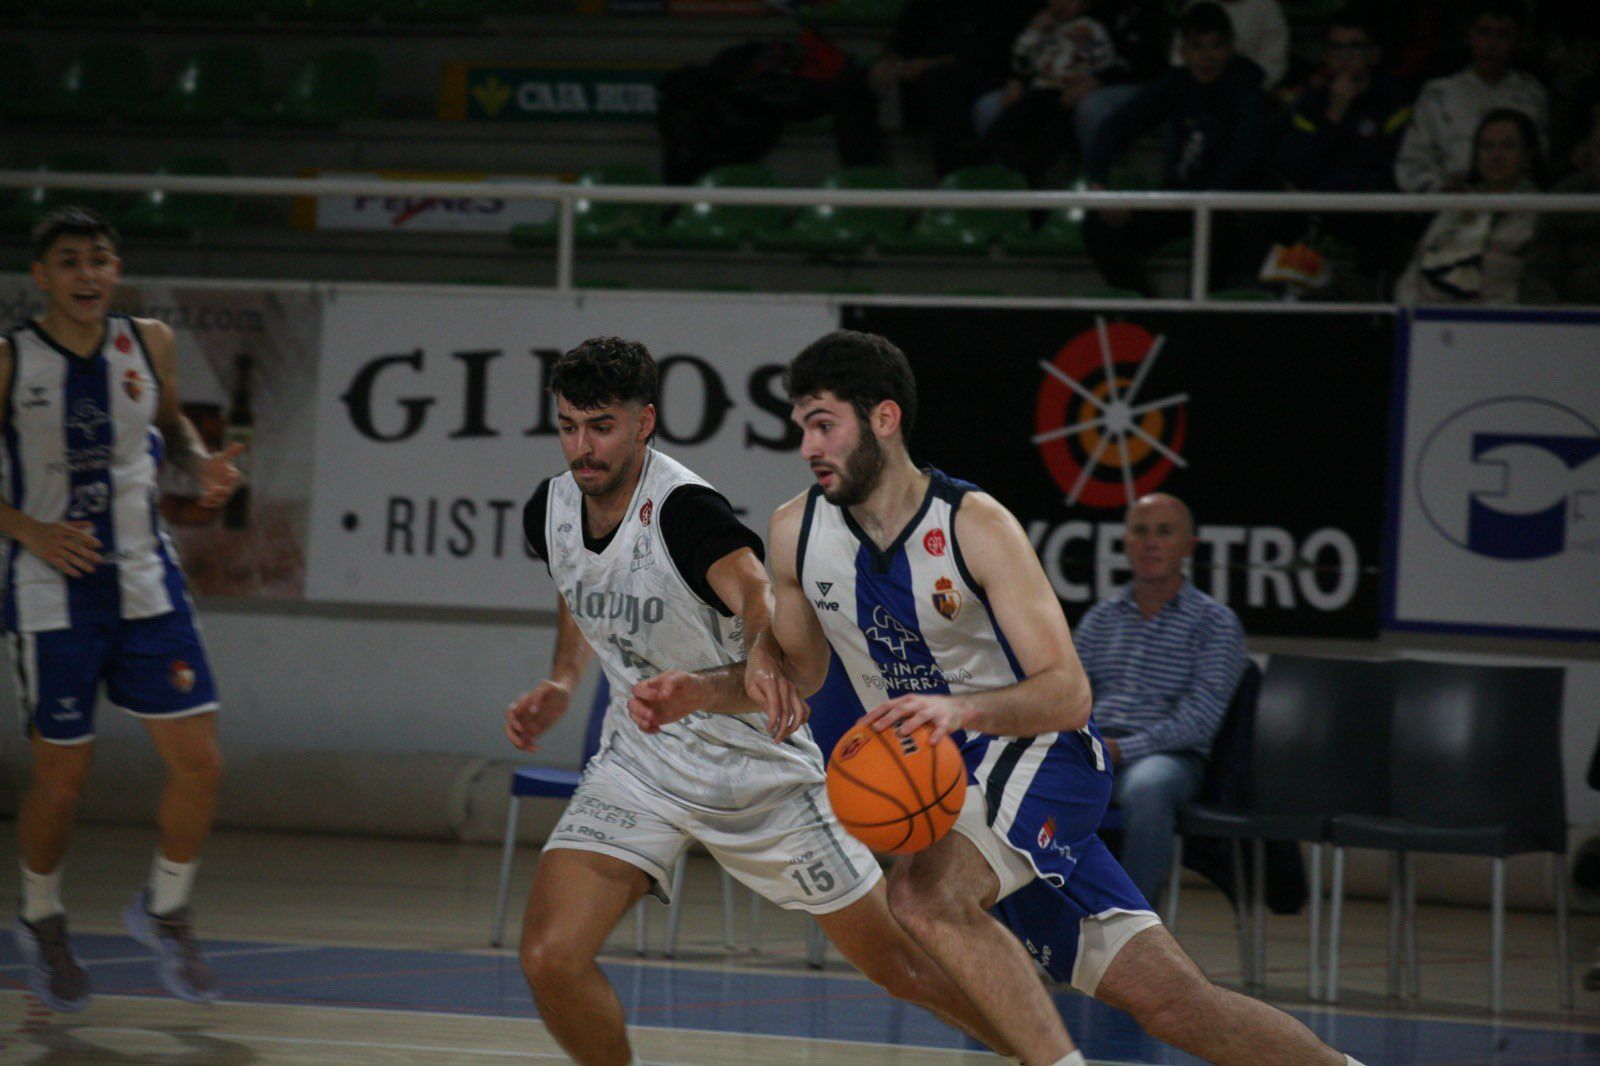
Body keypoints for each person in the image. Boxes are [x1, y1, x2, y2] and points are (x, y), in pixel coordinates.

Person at [747, 330, 1362, 1066]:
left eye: (824, 424)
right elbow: (799, 667)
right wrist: (747, 659)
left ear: (883, 419)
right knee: (1172, 1002)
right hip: (955, 781)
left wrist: (960, 710)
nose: (809, 445)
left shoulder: (975, 524)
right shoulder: (794, 530)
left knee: (921, 896)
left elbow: (1068, 695)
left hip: (1038, 754)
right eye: (802, 427)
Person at [507, 336, 1012, 1066]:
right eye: (568, 426)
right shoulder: (551, 508)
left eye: (602, 427)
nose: (582, 447)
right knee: (550, 955)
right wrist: (562, 679)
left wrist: (764, 656)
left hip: (757, 773)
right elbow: (576, 573)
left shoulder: (683, 510)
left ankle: (1046, 1055)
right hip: (642, 764)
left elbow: (754, 590)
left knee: (905, 970)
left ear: (644, 422)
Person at [5, 206, 244, 1012]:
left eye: (100, 260)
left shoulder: (149, 342)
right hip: (51, 589)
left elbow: (170, 424)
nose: (87, 275)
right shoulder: (10, 360)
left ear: (116, 270)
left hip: (146, 580)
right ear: (41, 276)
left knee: (201, 762)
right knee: (62, 778)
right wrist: (28, 528)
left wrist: (203, 466)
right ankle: (40, 915)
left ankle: (167, 907)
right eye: (69, 261)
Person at [1071, 493, 1247, 906]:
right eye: (1141, 531)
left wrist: (1121, 749)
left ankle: (1128, 931)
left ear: (1189, 546)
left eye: (1165, 532)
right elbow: (1069, 697)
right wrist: (1085, 743)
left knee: (1148, 789)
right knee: (1021, 780)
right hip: (1098, 747)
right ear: (1126, 543)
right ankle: (1026, 934)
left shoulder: (1215, 623)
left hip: (1169, 757)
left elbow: (1199, 720)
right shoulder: (1101, 618)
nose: (1151, 542)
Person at [1082, 1, 1267, 295]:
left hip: (1228, 206)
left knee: (1219, 226)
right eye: (1197, 47)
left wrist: (1209, 201)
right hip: (1182, 199)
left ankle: (1194, 315)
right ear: (1182, 51)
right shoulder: (1177, 84)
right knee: (1098, 224)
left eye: (1215, 46)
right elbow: (1115, 126)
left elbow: (1242, 157)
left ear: (1230, 49)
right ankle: (1146, 310)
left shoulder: (1246, 90)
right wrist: (1097, 185)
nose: (1207, 58)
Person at [1394, 0, 1548, 193]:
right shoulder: (1439, 93)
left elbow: (1540, 161)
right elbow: (1412, 165)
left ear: (1517, 40)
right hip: (1452, 204)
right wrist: (1442, 189)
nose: (1492, 44)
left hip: (1519, 204)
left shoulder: (1531, 93)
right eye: (1484, 32)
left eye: (1503, 35)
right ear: (1470, 36)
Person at [1396, 107, 1543, 304]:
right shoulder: (1458, 204)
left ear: (1528, 155)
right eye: (1487, 146)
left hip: (1503, 320)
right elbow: (1417, 269)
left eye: (1508, 146)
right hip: (1434, 320)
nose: (1496, 155)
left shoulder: (1544, 209)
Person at [986, 0, 1118, 186]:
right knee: (1009, 123)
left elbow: (1105, 62)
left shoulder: (1091, 28)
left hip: (1070, 94)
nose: (1061, 5)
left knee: (1053, 129)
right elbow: (1020, 62)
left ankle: (1032, 174)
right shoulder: (1041, 29)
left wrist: (1089, 79)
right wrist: (1034, 31)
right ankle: (1002, 171)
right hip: (1040, 90)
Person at [1521, 95, 1600, 305]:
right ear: (1590, 150)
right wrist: (1555, 314)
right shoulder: (1566, 197)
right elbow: (1539, 272)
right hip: (1571, 319)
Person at [1168, 0, 1289, 91]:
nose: (1206, 55)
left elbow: (1272, 67)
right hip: (1190, 93)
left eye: (1216, 46)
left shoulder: (1266, 6)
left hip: (1246, 90)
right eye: (1197, 46)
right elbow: (1178, 62)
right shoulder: (1195, 4)